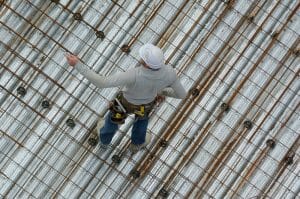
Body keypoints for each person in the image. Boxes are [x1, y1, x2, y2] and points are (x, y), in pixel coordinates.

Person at [66, 43, 187, 153]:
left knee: (113, 120)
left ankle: (104, 142)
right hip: (146, 105)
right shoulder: (170, 73)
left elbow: (101, 82)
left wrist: (77, 64)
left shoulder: (133, 74)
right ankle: (137, 144)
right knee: (141, 122)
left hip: (125, 103)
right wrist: (160, 91)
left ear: (145, 62)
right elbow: (181, 94)